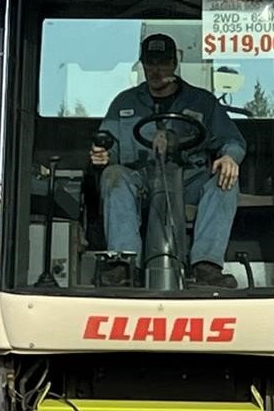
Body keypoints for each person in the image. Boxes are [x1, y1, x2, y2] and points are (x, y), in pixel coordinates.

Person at [90, 32, 244, 289]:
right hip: (141, 184)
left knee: (225, 180)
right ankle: (124, 264)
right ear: (142, 64)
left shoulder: (202, 102)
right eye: (150, 62)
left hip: (188, 184)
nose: (156, 70)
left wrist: (230, 157)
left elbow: (232, 140)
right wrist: (102, 155)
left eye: (162, 62)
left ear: (175, 63)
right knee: (113, 175)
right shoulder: (124, 103)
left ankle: (206, 266)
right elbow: (109, 146)